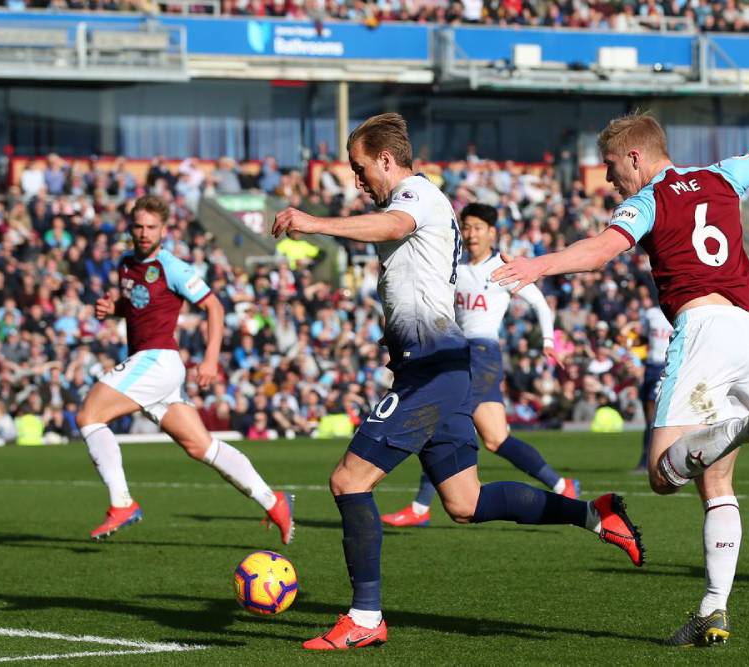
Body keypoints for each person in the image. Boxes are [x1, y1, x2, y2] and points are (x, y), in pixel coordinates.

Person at [493, 29, 749, 648]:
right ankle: (714, 609)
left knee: (662, 473)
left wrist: (535, 266)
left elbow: (602, 250)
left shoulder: (652, 198)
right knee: (717, 481)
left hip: (705, 327)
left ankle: (741, 428)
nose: (610, 182)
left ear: (635, 156)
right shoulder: (721, 177)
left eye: (610, 169)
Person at [271, 113, 645, 651]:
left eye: (360, 169)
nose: (357, 181)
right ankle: (595, 513)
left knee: (349, 482)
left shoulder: (417, 195)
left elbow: (393, 227)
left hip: (431, 369)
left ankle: (365, 615)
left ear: (385, 159)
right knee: (465, 502)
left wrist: (315, 222)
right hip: (434, 366)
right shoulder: (406, 202)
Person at [77, 195, 293, 543]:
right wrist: (113, 307)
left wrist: (210, 359)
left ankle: (122, 504)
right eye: (139, 226)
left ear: (163, 230)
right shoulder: (126, 264)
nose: (145, 233)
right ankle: (274, 501)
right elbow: (140, 307)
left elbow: (215, 308)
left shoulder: (171, 266)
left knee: (89, 415)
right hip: (153, 366)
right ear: (130, 228)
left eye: (152, 227)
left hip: (157, 359)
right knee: (201, 447)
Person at [380, 202, 580, 528]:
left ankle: (420, 507)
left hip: (482, 353)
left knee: (439, 417)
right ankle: (563, 486)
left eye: (477, 227)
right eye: (467, 227)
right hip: (456, 350)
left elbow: (540, 303)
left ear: (491, 232)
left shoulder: (499, 267)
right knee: (496, 438)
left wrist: (547, 341)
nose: (471, 234)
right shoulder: (453, 266)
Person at [634, 299, 672, 472]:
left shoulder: (677, 311)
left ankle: (649, 461)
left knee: (653, 415)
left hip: (667, 365)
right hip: (650, 366)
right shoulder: (650, 314)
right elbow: (643, 338)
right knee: (647, 414)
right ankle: (647, 458)